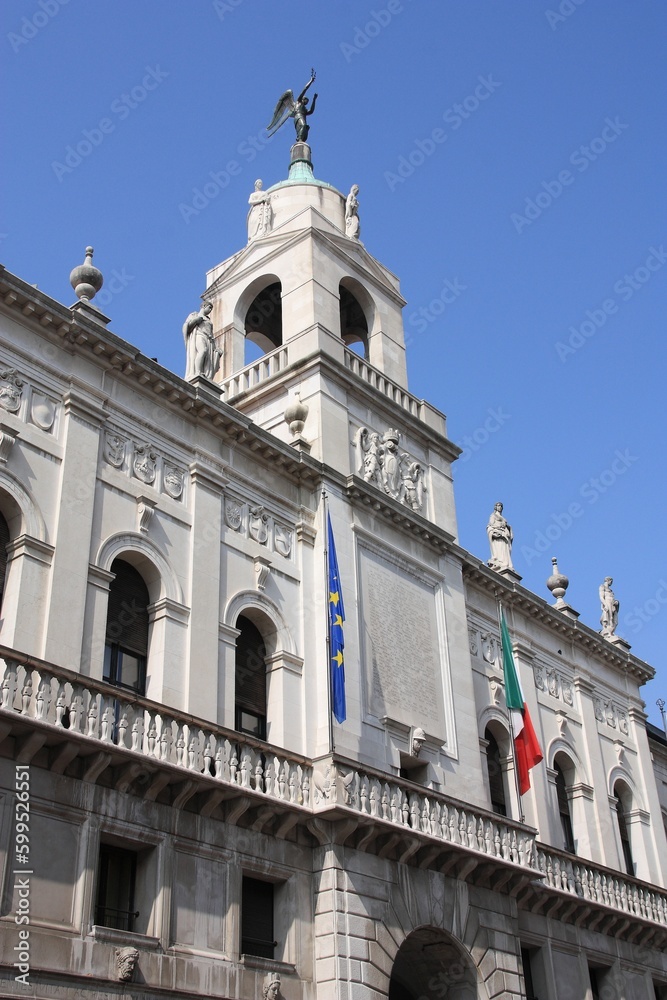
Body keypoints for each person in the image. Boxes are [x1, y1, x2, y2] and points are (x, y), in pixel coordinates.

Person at [182, 302, 221, 381]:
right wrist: (196, 321)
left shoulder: (208, 320)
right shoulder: (194, 315)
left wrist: (216, 347)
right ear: (204, 306)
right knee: (202, 351)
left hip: (209, 339)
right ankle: (198, 371)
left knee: (207, 356)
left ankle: (203, 372)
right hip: (199, 335)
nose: (210, 310)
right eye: (209, 307)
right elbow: (186, 326)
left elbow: (211, 334)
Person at [486, 502, 514, 571]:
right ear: (495, 507)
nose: (500, 507)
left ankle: (506, 564)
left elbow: (507, 527)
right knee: (499, 549)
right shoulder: (493, 515)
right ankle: (499, 562)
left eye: (501, 506)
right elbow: (491, 524)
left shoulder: (503, 518)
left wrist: (508, 528)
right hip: (498, 535)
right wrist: (499, 527)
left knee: (505, 551)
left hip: (505, 537)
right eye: (498, 506)